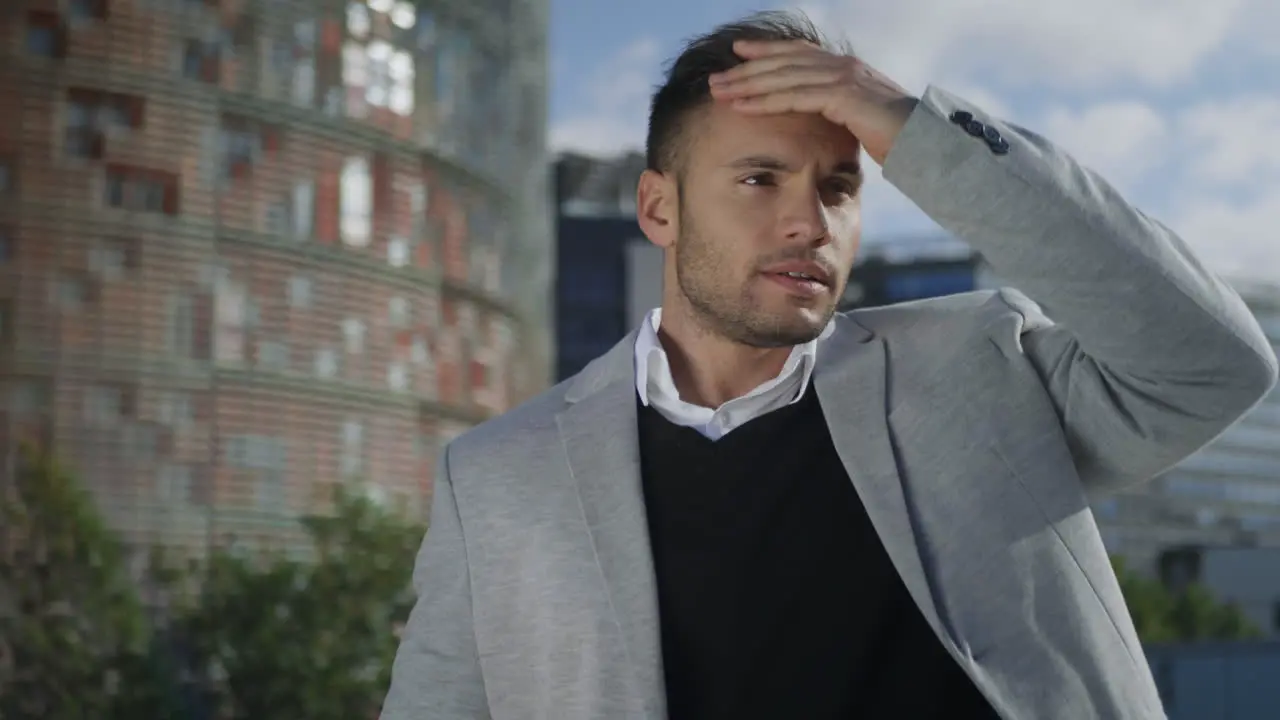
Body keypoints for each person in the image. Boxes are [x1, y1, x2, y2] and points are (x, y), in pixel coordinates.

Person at [380, 11, 1277, 720]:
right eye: (759, 179)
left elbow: (1211, 364)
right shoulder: (499, 477)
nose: (810, 221)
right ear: (658, 209)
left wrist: (912, 128)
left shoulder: (980, 368)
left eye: (839, 188)